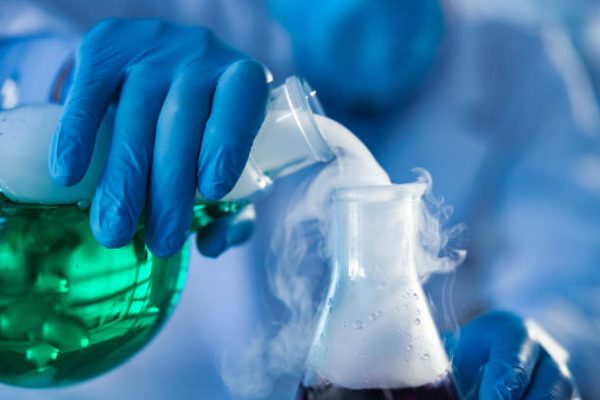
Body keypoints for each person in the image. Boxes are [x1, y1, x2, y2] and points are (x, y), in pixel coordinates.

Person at [0, 0, 596, 398]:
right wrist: (69, 80)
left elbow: (576, 288)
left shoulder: (525, 65)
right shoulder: (172, 16)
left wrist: (543, 347)